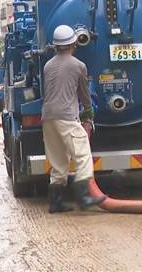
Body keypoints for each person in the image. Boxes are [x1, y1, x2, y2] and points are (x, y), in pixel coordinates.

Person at [42, 25, 106, 213]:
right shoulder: (78, 66)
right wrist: (88, 113)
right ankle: (83, 196)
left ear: (56, 46)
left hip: (47, 117)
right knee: (83, 153)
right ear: (73, 44)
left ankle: (55, 203)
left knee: (58, 161)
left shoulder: (48, 66)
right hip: (67, 117)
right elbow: (84, 94)